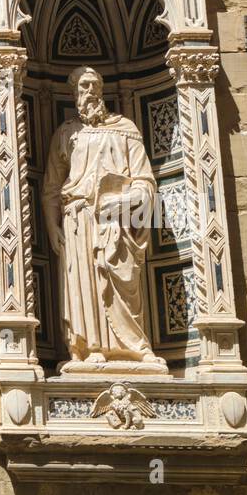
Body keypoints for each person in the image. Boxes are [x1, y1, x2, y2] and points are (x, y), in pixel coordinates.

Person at [42, 65, 164, 371]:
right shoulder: (66, 133)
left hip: (117, 219)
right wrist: (51, 225)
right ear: (73, 93)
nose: (90, 92)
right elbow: (52, 188)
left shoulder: (126, 129)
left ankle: (134, 347)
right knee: (84, 284)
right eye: (83, 86)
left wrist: (128, 199)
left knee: (123, 283)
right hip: (79, 219)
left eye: (95, 85)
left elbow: (146, 181)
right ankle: (89, 348)